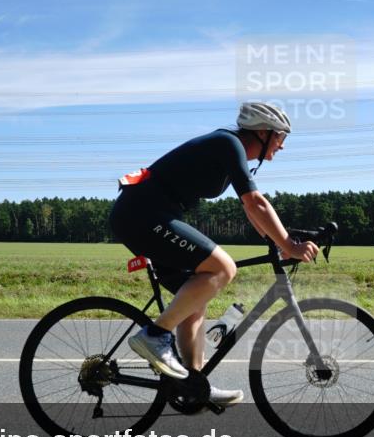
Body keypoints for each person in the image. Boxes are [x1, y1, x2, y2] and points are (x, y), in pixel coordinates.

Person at [109, 102, 319, 406]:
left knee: (195, 297)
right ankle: (154, 336)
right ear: (262, 132)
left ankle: (193, 386)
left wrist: (276, 241)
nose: (282, 146)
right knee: (223, 268)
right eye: (280, 137)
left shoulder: (230, 150)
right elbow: (255, 202)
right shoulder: (228, 143)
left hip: (148, 214)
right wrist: (289, 244)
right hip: (142, 214)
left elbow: (250, 208)